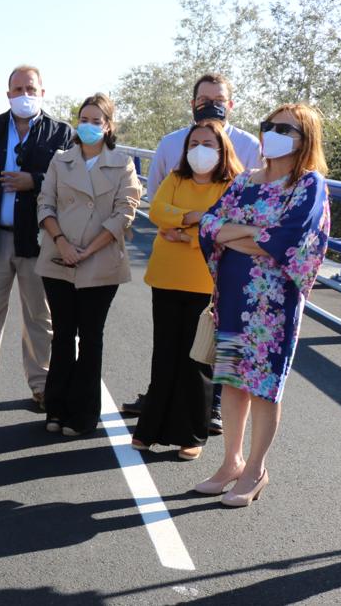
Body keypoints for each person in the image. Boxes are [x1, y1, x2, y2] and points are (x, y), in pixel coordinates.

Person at [193, 103, 330, 507]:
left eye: (283, 129)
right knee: (232, 380)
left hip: (274, 305)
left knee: (264, 387)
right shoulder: (245, 180)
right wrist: (256, 234)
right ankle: (230, 463)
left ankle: (256, 470)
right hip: (233, 296)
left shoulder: (308, 184)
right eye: (268, 126)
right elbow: (209, 224)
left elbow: (287, 239)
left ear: (305, 138)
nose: (271, 133)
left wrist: (236, 234)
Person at [123, 73, 263, 429]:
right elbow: (156, 196)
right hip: (173, 259)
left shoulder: (248, 146)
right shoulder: (171, 143)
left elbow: (243, 208)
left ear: (231, 104)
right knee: (170, 339)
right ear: (193, 103)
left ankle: (210, 407)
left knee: (211, 338)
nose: (211, 105)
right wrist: (188, 223)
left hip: (225, 262)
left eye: (218, 99)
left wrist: (192, 233)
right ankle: (161, 401)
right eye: (203, 99)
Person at [0, 65, 75, 408]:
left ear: (42, 92)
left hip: (38, 240)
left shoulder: (60, 133)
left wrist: (32, 181)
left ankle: (41, 384)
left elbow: (70, 181)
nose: (24, 95)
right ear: (8, 94)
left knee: (39, 315)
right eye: (18, 89)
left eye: (30, 89)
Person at [132, 119, 242, 460]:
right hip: (166, 278)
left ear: (222, 149)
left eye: (208, 143)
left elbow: (224, 227)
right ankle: (150, 429)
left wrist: (184, 234)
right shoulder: (175, 178)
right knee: (164, 355)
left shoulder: (232, 186)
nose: (199, 150)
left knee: (197, 362)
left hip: (205, 283)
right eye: (194, 143)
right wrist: (194, 218)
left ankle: (191, 434)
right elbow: (158, 211)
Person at [36, 93, 141, 436]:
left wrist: (88, 249)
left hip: (101, 263)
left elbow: (125, 213)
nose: (89, 125)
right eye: (85, 118)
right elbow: (44, 204)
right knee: (62, 336)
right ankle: (56, 408)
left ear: (108, 126)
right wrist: (64, 244)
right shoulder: (59, 161)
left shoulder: (123, 163)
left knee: (91, 337)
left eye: (97, 120)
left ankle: (83, 415)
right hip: (58, 259)